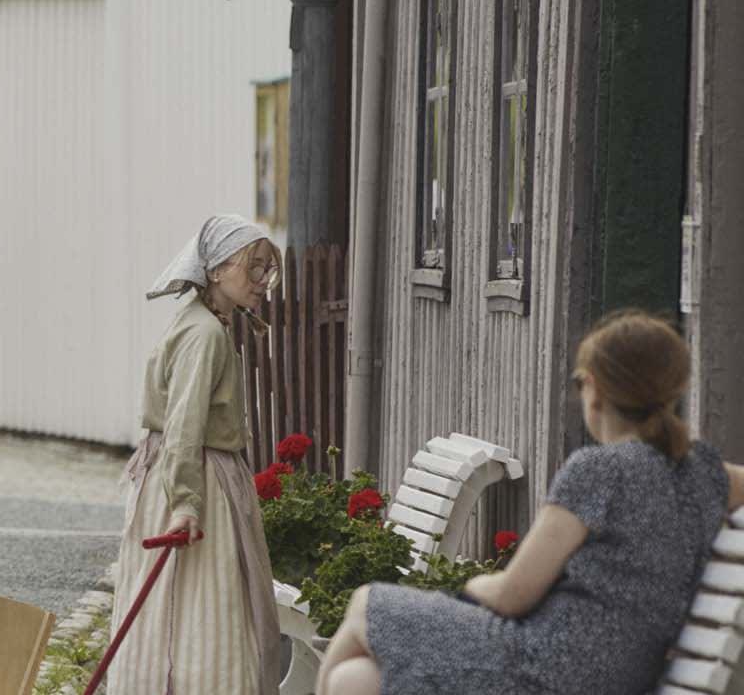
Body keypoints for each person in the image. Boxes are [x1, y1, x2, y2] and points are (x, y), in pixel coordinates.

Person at [317, 311, 744, 695]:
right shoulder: (705, 471)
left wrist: (467, 586)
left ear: (594, 391)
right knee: (353, 682)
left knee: (367, 602)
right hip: (620, 675)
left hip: (548, 665)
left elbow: (512, 595)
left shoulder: (599, 471)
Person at [106, 215, 282, 695]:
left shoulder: (198, 320)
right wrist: (186, 502)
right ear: (219, 269)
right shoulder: (205, 333)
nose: (263, 281)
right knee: (206, 600)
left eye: (268, 270)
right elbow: (185, 422)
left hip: (184, 472)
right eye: (254, 268)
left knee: (182, 604)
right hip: (197, 476)